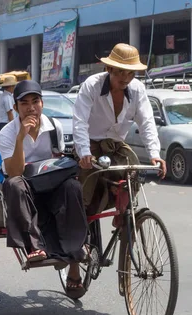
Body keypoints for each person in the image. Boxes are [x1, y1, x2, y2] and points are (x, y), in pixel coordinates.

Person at [0, 80, 88, 298]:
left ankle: (75, 252)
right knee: (14, 184)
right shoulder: (7, 133)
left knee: (73, 186)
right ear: (16, 107)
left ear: (42, 103)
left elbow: (59, 159)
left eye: (35, 102)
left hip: (51, 183)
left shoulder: (54, 126)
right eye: (24, 103)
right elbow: (14, 172)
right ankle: (33, 246)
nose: (31, 108)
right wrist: (21, 137)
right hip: (25, 186)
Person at [72, 43, 166, 216]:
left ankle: (124, 215)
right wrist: (84, 152)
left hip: (115, 145)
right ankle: (81, 224)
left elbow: (146, 122)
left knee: (134, 174)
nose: (126, 77)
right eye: (121, 72)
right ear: (109, 68)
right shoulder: (92, 85)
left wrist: (155, 154)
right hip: (91, 144)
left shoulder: (137, 89)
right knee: (86, 191)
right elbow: (80, 122)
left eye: (130, 73)